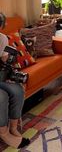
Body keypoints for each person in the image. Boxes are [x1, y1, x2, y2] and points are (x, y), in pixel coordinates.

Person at [0, 15, 30, 149]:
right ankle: (4, 133)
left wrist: (7, 60)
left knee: (17, 90)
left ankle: (13, 127)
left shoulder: (2, 38)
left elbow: (3, 61)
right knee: (2, 96)